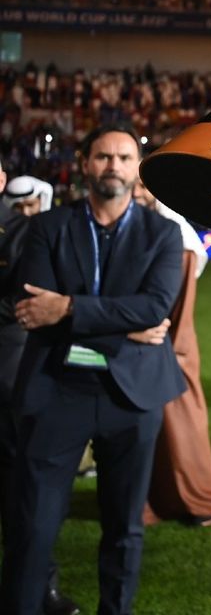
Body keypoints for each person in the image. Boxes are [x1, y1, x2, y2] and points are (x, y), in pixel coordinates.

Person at [2, 123, 186, 615]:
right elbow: (32, 309)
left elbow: (153, 309)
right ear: (85, 164)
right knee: (33, 525)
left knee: (124, 527)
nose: (114, 166)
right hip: (57, 389)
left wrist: (70, 309)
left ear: (136, 168)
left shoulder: (163, 234)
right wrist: (120, 323)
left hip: (132, 396)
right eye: (104, 156)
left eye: (124, 158)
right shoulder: (48, 227)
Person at [0, 168, 80, 615]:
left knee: (24, 495)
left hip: (8, 380)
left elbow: (30, 298)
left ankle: (34, 589)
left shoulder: (27, 228)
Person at [133, 182, 211, 527]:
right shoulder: (147, 224)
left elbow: (176, 312)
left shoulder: (177, 237)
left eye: (143, 184)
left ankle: (194, 498)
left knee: (178, 419)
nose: (136, 189)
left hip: (167, 347)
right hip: (150, 346)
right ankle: (155, 498)